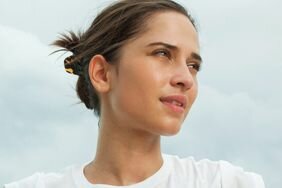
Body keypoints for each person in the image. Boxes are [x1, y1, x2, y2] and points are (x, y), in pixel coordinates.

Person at [4, 0, 265, 187]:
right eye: (163, 54)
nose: (186, 79)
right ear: (102, 74)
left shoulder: (225, 183)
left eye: (193, 65)